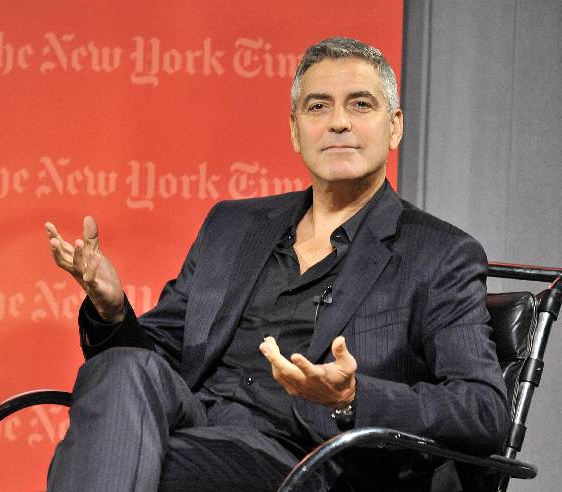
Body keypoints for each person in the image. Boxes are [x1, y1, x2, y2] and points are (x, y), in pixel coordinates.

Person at [44, 37, 508, 491]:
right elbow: (156, 357)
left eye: (361, 105)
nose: (339, 123)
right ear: (294, 130)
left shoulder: (439, 253)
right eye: (318, 106)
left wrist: (352, 396)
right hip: (193, 422)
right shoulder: (232, 225)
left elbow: (482, 409)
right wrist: (111, 312)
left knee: (125, 461)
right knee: (121, 370)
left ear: (395, 126)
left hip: (300, 461)